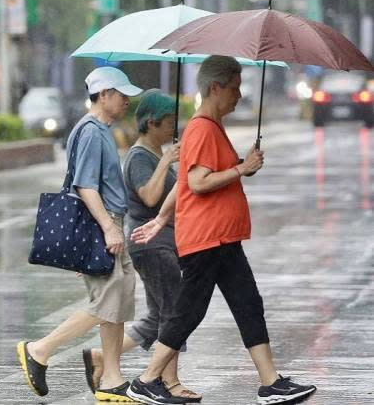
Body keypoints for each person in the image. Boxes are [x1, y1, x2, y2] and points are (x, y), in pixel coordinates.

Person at [125, 56, 317, 405]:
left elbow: (183, 182)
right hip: (206, 237)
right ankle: (146, 379)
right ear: (215, 87)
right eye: (234, 87)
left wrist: (163, 218)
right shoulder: (201, 127)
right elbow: (198, 183)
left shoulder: (211, 127)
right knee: (189, 311)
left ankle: (270, 382)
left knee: (248, 304)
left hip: (222, 237)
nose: (239, 94)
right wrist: (242, 169)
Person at [17, 66, 141, 402]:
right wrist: (108, 229)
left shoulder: (101, 129)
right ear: (104, 95)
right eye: (122, 94)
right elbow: (84, 185)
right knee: (105, 303)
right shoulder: (89, 131)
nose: (127, 100)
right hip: (104, 223)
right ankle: (40, 350)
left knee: (116, 300)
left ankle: (112, 378)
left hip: (108, 223)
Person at [83, 89, 201, 402]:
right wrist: (166, 162)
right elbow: (149, 196)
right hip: (152, 245)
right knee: (174, 313)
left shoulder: (154, 155)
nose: (173, 130)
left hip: (163, 243)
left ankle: (100, 357)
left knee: (156, 316)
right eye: (168, 124)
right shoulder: (139, 157)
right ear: (151, 123)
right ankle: (168, 381)